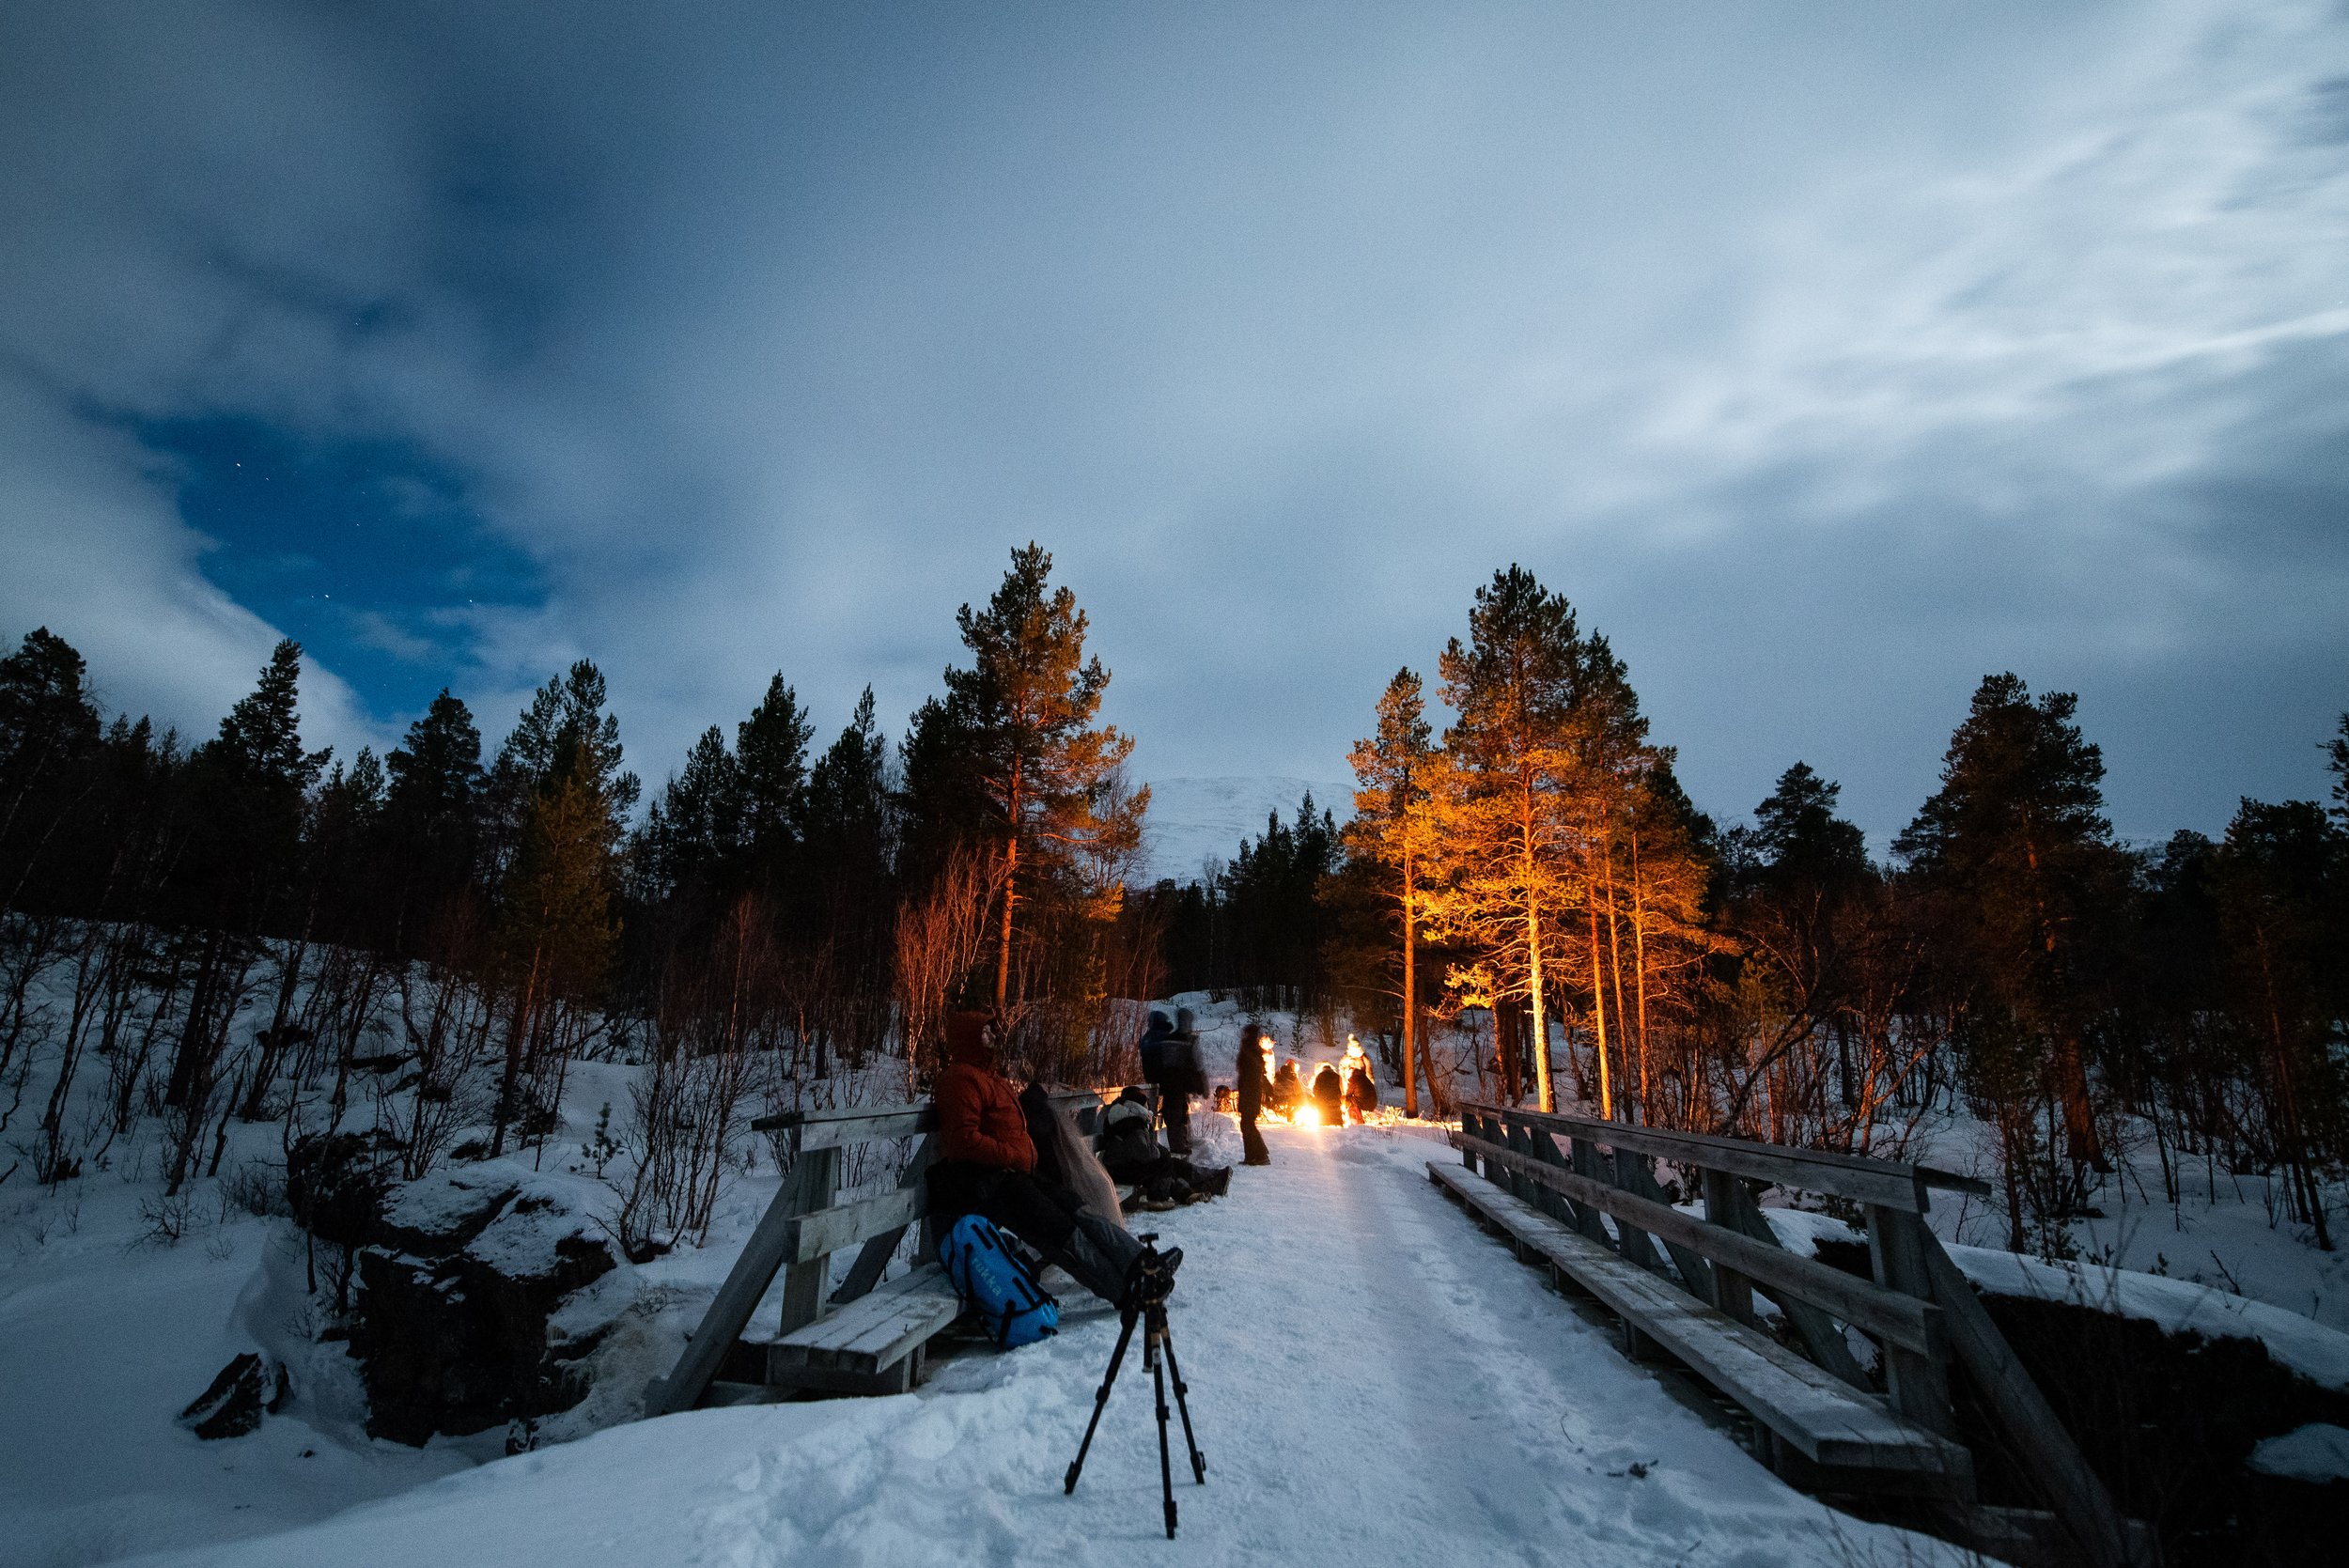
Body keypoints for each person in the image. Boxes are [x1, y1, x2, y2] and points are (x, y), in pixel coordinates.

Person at [927, 1012, 1172, 1303]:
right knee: (1061, 1233)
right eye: (985, 1032)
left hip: (1018, 1175)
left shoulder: (992, 1078)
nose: (992, 1037)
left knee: (1079, 1210)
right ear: (968, 1038)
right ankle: (1125, 1289)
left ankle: (1139, 1263)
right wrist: (1013, 1155)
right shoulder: (960, 1079)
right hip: (992, 1183)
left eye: (992, 1032)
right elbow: (963, 1141)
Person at [1096, 1086, 1231, 1206]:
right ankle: (1200, 1187)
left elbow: (1144, 1150)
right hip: (1122, 1170)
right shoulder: (1131, 1124)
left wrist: (1159, 1151)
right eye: (1146, 1102)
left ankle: (1209, 1182)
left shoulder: (1128, 1120)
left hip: (1125, 1166)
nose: (1148, 1106)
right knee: (1166, 1164)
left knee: (1171, 1163)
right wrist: (1160, 1151)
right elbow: (1146, 1154)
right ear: (1139, 1105)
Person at [1159, 1006, 1205, 1156]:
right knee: (1179, 1116)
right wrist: (1201, 1085)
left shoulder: (1168, 1039)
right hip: (1180, 1085)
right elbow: (1198, 1064)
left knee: (1173, 1116)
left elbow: (1161, 1063)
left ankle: (1179, 1146)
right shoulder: (1190, 1040)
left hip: (1169, 1085)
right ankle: (1179, 1150)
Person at [1236, 1024, 1272, 1165]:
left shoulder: (1250, 1050)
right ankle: (1255, 1155)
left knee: (1247, 1124)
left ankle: (1258, 1155)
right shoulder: (1252, 1050)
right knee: (1247, 1124)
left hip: (1250, 1092)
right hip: (1250, 1091)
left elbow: (1251, 1073)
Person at [1343, 1036, 1380, 1125]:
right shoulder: (1364, 1077)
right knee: (1354, 1098)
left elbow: (1348, 1093)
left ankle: (1355, 1120)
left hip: (1364, 1104)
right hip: (1373, 1103)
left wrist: (1343, 1098)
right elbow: (1370, 1072)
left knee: (1348, 1100)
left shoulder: (1353, 1078)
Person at [1311, 1061, 1345, 1128]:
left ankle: (1324, 1125)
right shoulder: (1337, 1076)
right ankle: (1338, 1126)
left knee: (1323, 1120)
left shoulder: (1320, 1076)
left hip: (1323, 1103)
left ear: (1323, 1070)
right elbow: (1341, 1090)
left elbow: (1315, 1090)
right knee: (1337, 1121)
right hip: (1335, 1102)